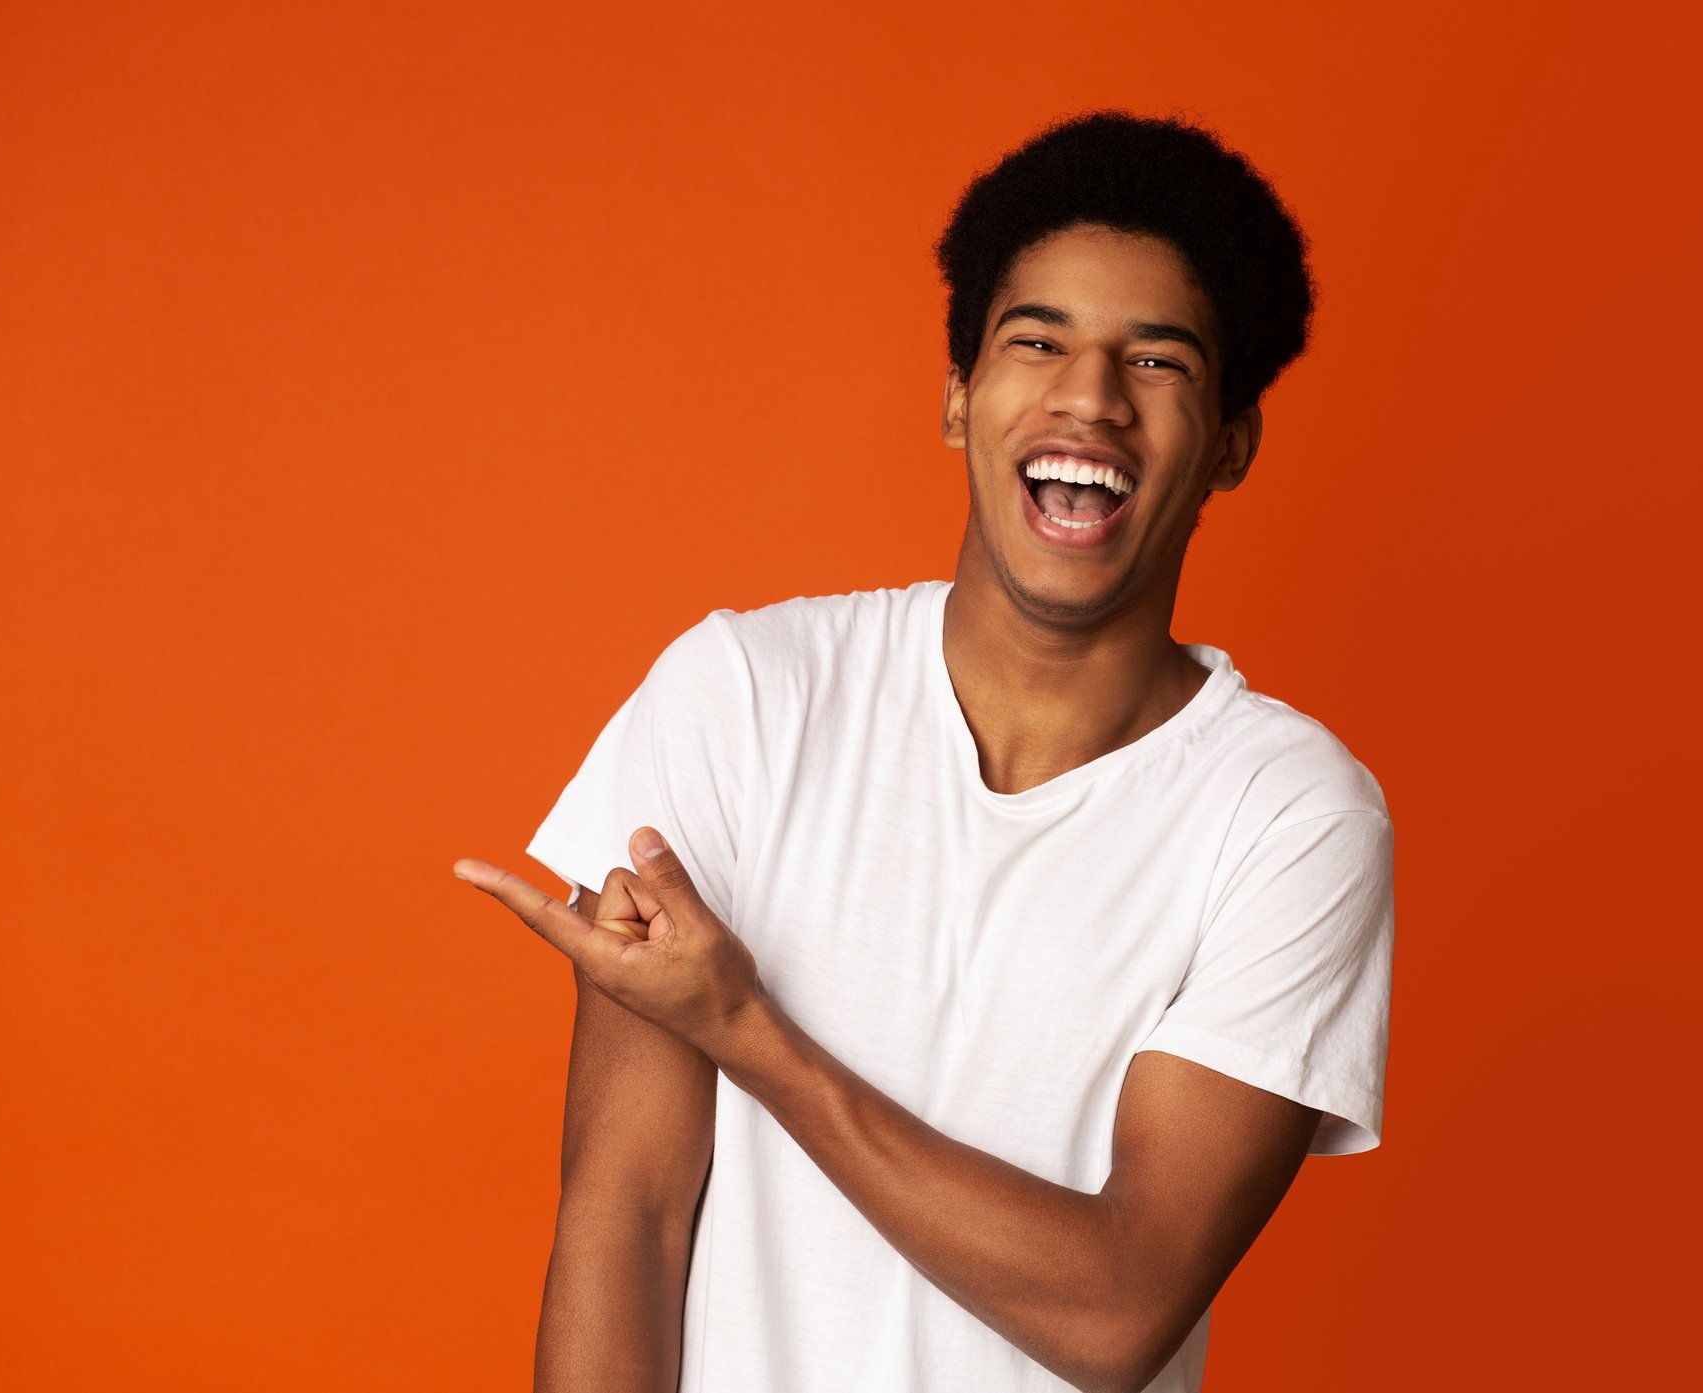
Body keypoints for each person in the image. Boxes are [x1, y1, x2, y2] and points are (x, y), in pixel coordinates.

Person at [456, 110, 1395, 1393]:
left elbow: (1120, 1307)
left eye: (1158, 362)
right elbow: (626, 1216)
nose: (1089, 398)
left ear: (1230, 443)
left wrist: (749, 1031)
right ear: (960, 398)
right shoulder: (744, 696)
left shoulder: (1289, 816)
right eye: (1036, 341)